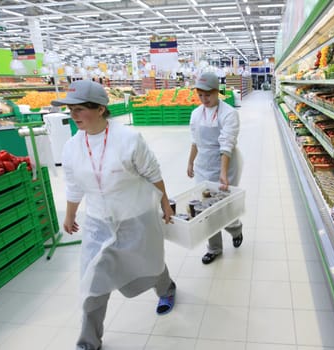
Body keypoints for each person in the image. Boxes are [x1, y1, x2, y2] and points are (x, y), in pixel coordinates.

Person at [52, 80, 176, 350]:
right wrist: (70, 215)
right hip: (98, 223)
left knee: (149, 264)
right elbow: (74, 185)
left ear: (99, 109)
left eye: (79, 109)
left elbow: (153, 174)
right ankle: (88, 342)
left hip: (136, 217)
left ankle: (166, 289)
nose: (73, 115)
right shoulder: (72, 147)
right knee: (93, 282)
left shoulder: (129, 140)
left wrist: (165, 203)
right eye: (69, 109)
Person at [187, 72, 243, 265]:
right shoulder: (196, 114)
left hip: (225, 164)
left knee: (223, 208)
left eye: (208, 95)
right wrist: (190, 162)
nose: (204, 100)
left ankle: (235, 229)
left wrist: (223, 173)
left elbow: (226, 145)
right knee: (207, 210)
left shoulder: (229, 114)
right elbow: (195, 141)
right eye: (200, 95)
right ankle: (215, 248)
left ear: (217, 92)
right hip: (203, 165)